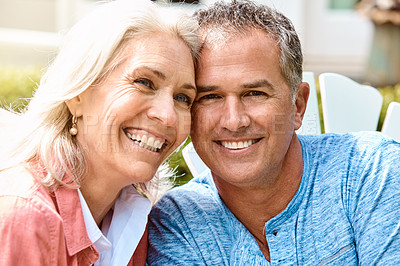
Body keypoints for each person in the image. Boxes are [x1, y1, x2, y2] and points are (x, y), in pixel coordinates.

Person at [147, 0, 400, 264]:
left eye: (255, 93)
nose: (234, 121)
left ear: (298, 106)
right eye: (209, 97)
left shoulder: (371, 173)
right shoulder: (178, 223)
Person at [0, 0, 200, 265]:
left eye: (183, 98)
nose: (167, 115)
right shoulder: (25, 214)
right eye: (144, 82)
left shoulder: (141, 221)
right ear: (78, 94)